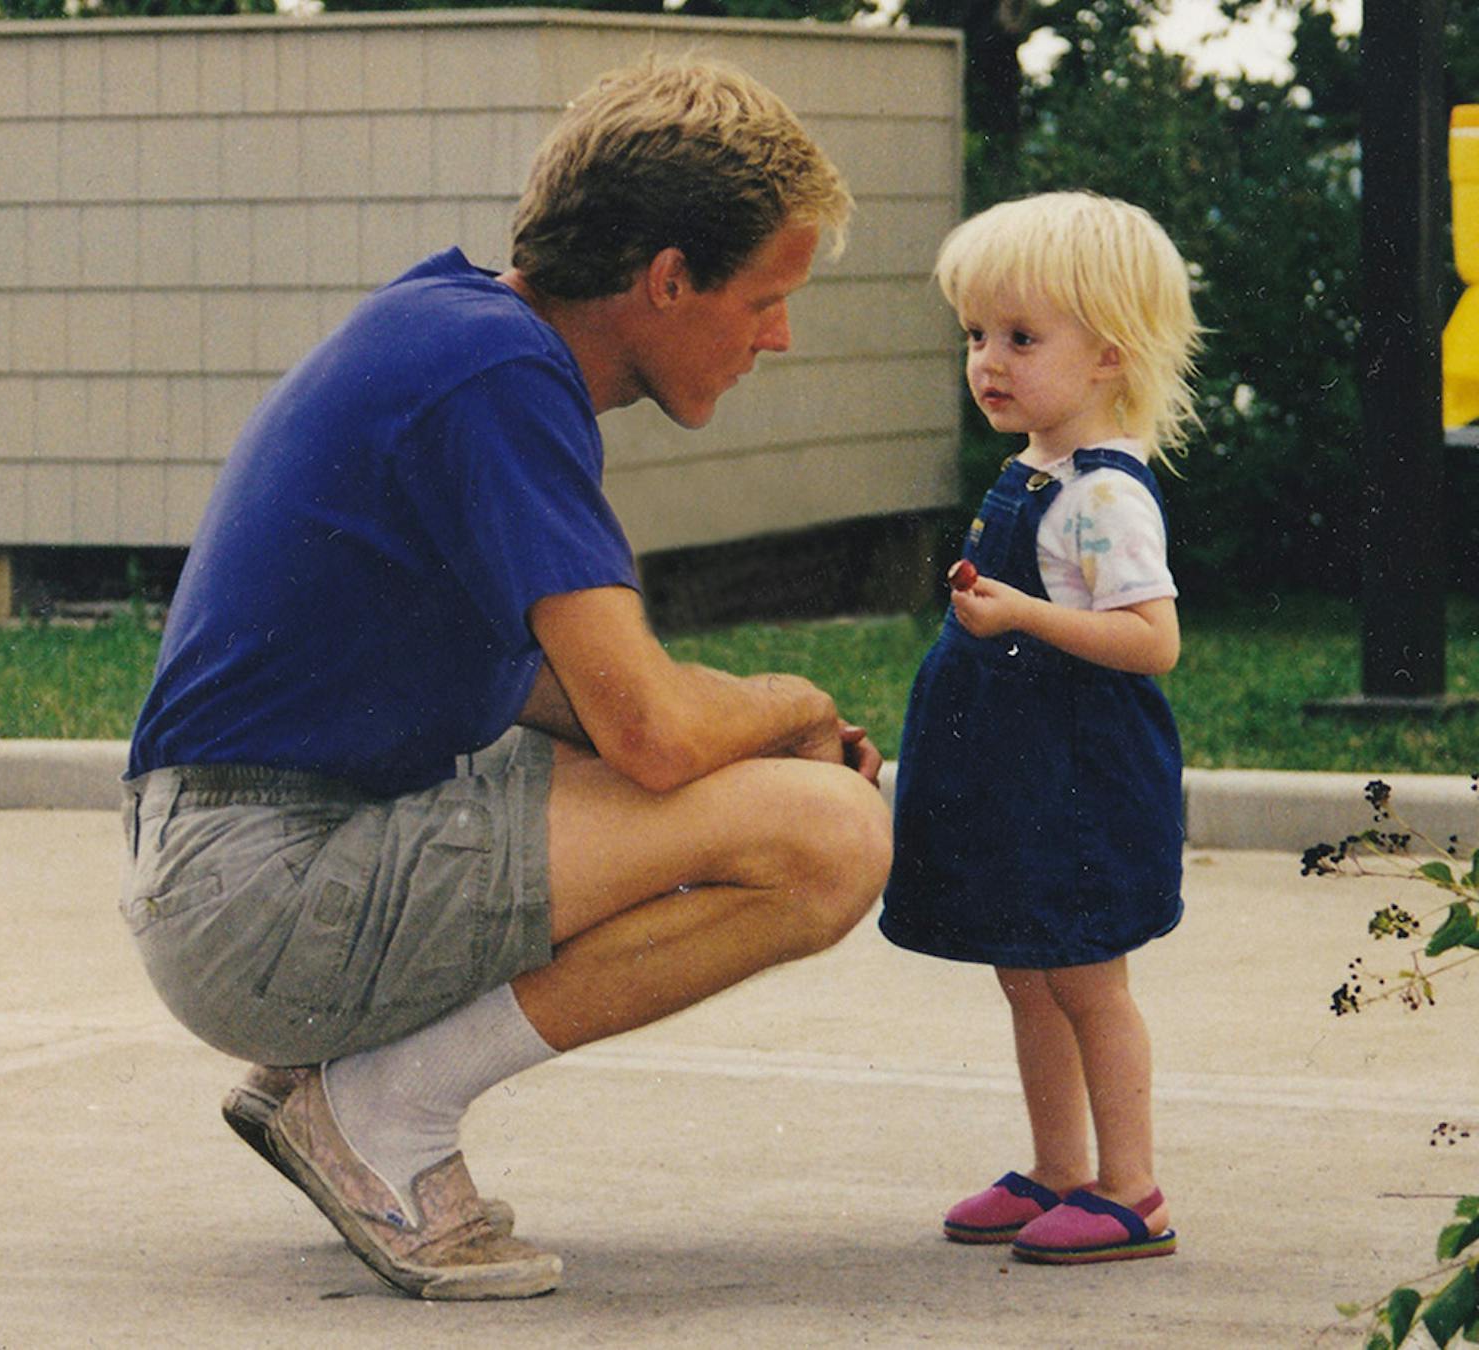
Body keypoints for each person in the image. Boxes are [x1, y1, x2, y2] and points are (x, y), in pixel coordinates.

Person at [118, 56, 889, 1301]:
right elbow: (645, 729)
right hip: (256, 897)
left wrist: (737, 740)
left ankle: (337, 1095)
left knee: (757, 791)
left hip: (237, 872)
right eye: (767, 295)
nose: (779, 335)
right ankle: (383, 1115)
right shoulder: (499, 378)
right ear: (668, 279)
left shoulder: (458, 335)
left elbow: (572, 697)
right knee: (830, 841)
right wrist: (792, 706)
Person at [879, 191, 1203, 1265]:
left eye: (1021, 337)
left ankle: (1132, 1188)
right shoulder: (1036, 470)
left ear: (1108, 354)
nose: (988, 360)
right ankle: (1058, 1165)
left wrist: (1020, 614)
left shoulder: (1103, 498)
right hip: (1024, 773)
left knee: (1084, 976)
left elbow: (1151, 640)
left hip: (1078, 777)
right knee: (1026, 968)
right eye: (977, 335)